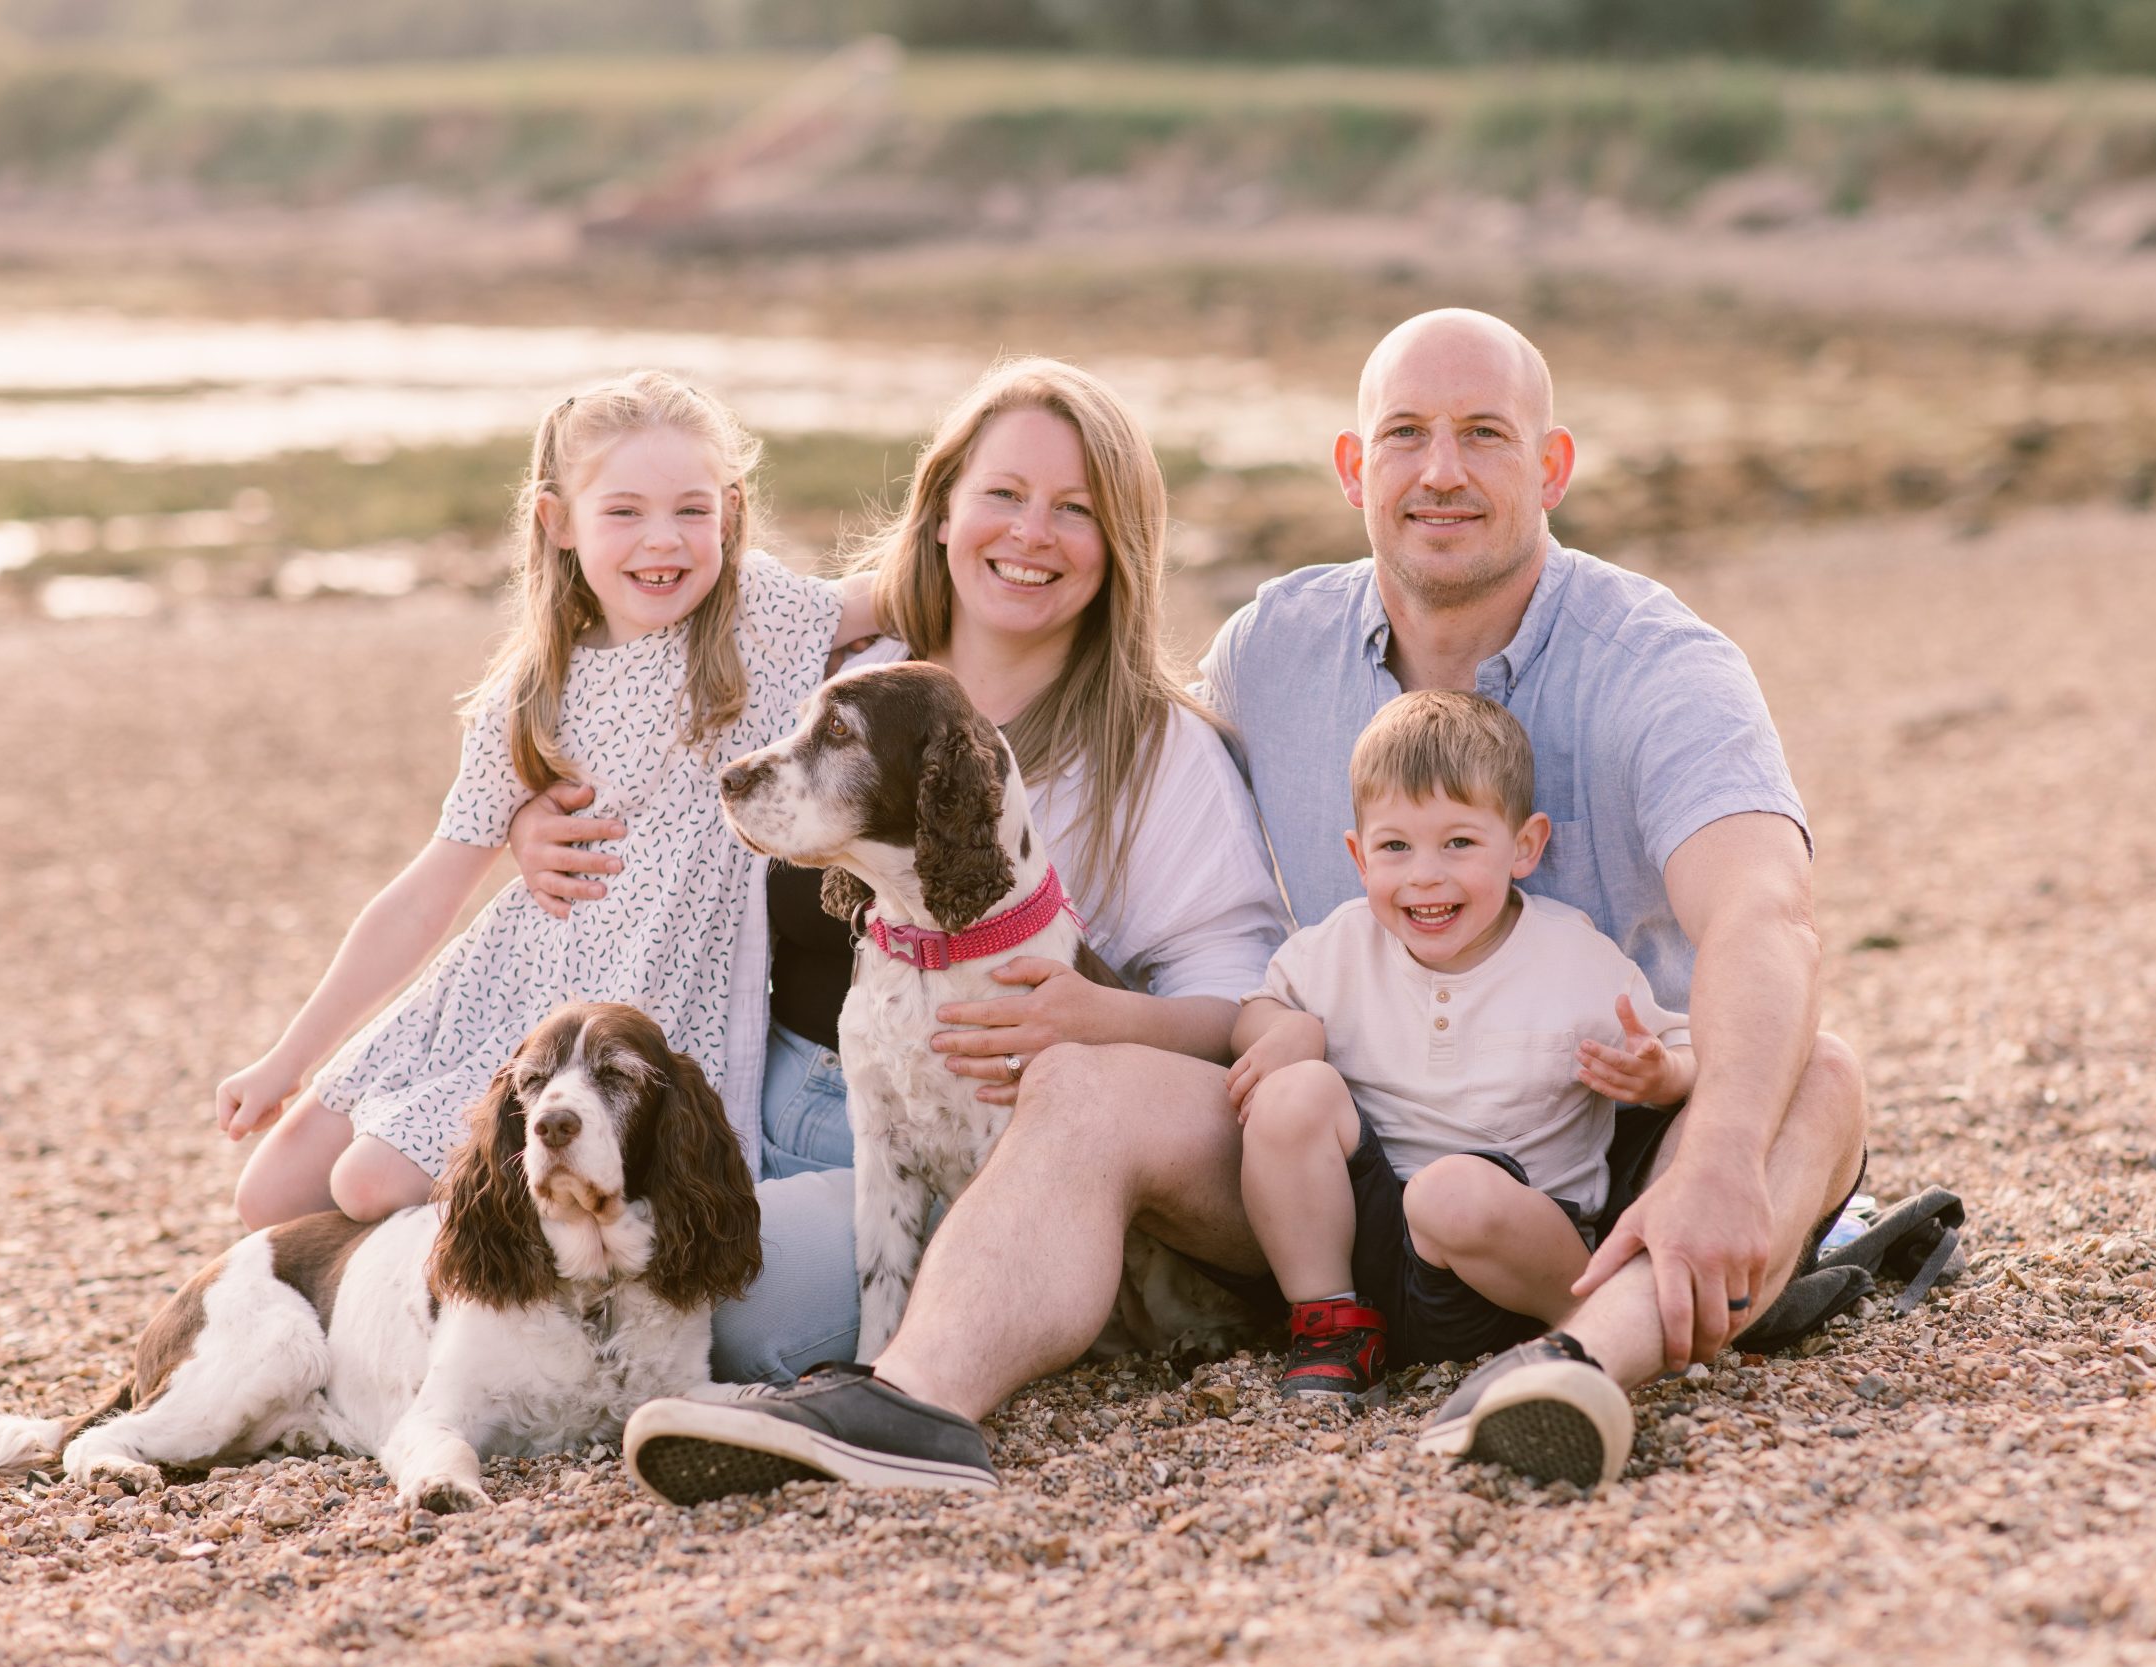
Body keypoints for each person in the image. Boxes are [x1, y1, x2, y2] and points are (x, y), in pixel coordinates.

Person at [618, 307, 1868, 1498]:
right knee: (1086, 1081)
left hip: (1605, 1146)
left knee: (1824, 1080)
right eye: (1404, 436)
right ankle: (908, 1402)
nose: (1441, 471)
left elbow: (1765, 915)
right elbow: (1054, 636)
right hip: (1328, 1169)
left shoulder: (1656, 663)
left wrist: (1712, 1158)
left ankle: (1577, 1368)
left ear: (1550, 465)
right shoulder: (1276, 647)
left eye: (1483, 434)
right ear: (1349, 466)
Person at [505, 356, 1290, 1384]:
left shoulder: (1157, 748)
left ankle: (960, 1332)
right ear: (941, 512)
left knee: (725, 1311)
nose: (1030, 533)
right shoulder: (832, 675)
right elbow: (632, 704)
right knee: (510, 1231)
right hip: (747, 1089)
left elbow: (1239, 1002)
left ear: (1120, 545)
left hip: (986, 1147)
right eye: (1002, 494)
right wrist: (531, 811)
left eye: (1075, 509)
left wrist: (1112, 1018)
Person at [217, 371, 860, 1228]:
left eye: (692, 510)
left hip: (624, 1015)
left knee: (366, 1184)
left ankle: (467, 1305)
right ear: (558, 522)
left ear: (732, 514)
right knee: (265, 1196)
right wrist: (286, 1058)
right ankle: (384, 1302)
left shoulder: (762, 620)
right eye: (623, 512)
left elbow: (917, 586)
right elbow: (425, 895)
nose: (662, 542)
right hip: (499, 986)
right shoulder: (531, 698)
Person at [1229, 690, 1693, 1406]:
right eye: (1395, 847)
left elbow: (1685, 1050)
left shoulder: (1572, 958)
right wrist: (1283, 1028)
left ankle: (1590, 1329)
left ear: (1525, 846)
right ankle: (1331, 1327)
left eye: (1459, 843)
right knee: (1293, 1090)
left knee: (1449, 1195)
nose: (1424, 874)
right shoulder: (1340, 949)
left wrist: (1659, 1075)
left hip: (1511, 1250)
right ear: (1358, 855)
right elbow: (1255, 1018)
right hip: (1370, 1244)